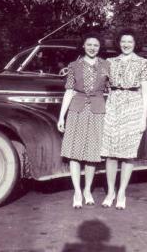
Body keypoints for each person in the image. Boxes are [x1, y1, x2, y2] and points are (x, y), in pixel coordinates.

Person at [57, 33, 108, 208]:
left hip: (97, 111)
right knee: (75, 152)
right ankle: (77, 192)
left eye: (96, 45)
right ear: (84, 46)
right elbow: (69, 91)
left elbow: (112, 90)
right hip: (77, 110)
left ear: (99, 47)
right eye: (89, 44)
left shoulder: (106, 65)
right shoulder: (74, 66)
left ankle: (87, 190)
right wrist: (61, 116)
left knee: (92, 154)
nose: (92, 48)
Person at [101, 29, 147, 210]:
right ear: (119, 43)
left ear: (135, 43)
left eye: (130, 41)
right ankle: (110, 192)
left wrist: (143, 117)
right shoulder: (110, 62)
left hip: (133, 107)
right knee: (110, 152)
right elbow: (102, 85)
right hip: (113, 106)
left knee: (128, 153)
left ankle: (121, 193)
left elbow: (145, 92)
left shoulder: (143, 63)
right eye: (123, 41)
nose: (126, 44)